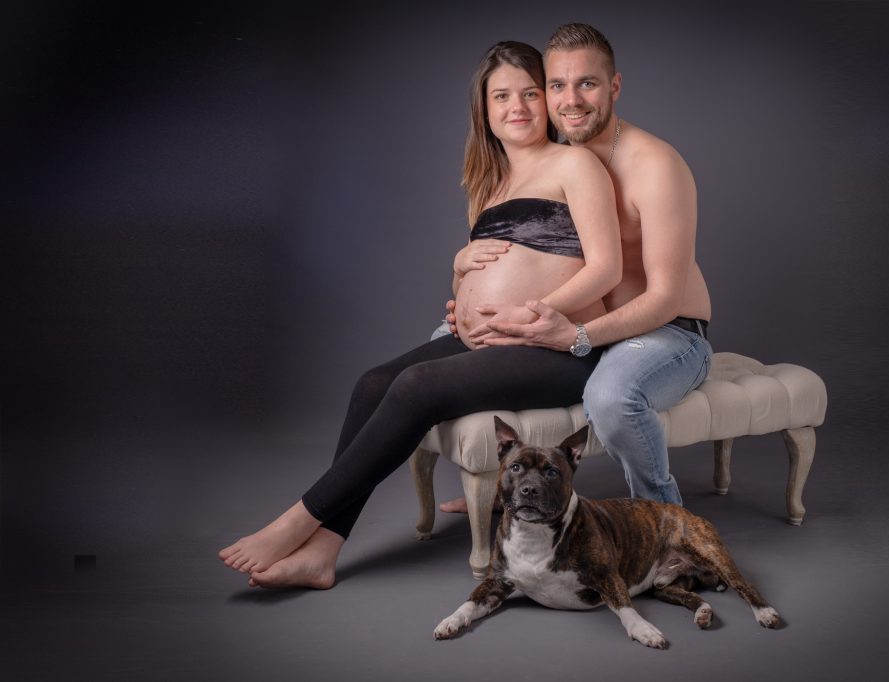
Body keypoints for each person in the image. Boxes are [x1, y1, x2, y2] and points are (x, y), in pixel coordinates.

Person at [217, 40, 621, 589]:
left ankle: (298, 521)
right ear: (483, 108)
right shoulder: (492, 182)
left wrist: (537, 314)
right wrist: (460, 273)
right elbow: (476, 277)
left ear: (547, 100)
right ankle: (323, 553)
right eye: (501, 95)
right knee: (373, 382)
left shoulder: (574, 164)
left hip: (554, 348)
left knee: (415, 386)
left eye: (530, 92)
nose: (517, 106)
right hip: (492, 342)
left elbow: (607, 268)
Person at [439, 23, 711, 511]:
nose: (571, 100)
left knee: (610, 397)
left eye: (587, 83)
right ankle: (508, 490)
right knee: (445, 348)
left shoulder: (655, 164)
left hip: (666, 333)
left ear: (614, 86)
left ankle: (667, 524)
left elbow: (665, 296)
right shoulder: (555, 162)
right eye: (557, 86)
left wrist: (577, 337)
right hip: (584, 329)